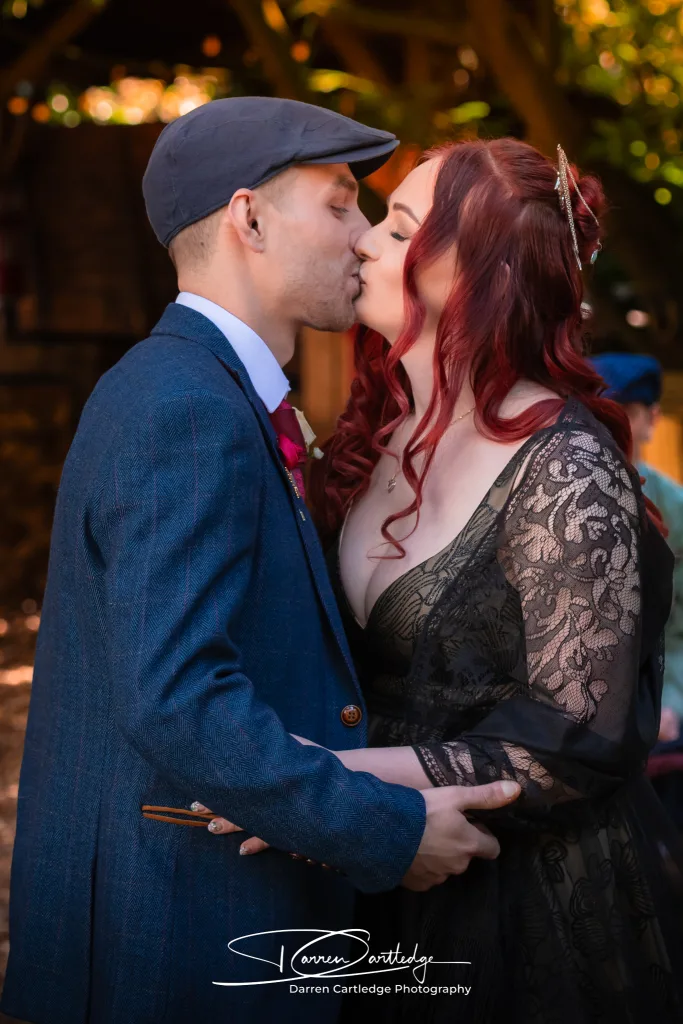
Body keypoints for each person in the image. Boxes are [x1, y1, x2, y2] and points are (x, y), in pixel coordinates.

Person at [0, 99, 522, 1024]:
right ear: (248, 218)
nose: (365, 239)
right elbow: (177, 696)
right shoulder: (185, 406)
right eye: (340, 204)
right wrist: (386, 831)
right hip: (172, 931)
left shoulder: (215, 392)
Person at [201, 139, 683, 1022]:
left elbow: (571, 740)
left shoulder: (565, 470)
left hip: (520, 900)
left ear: (475, 277)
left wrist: (319, 777)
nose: (361, 242)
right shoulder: (375, 431)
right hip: (374, 862)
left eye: (396, 228)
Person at [591, 351, 683, 829]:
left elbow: (680, 626)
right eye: (599, 410)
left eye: (625, 412)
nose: (612, 425)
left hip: (660, 718)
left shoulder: (675, 507)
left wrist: (670, 700)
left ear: (652, 419)